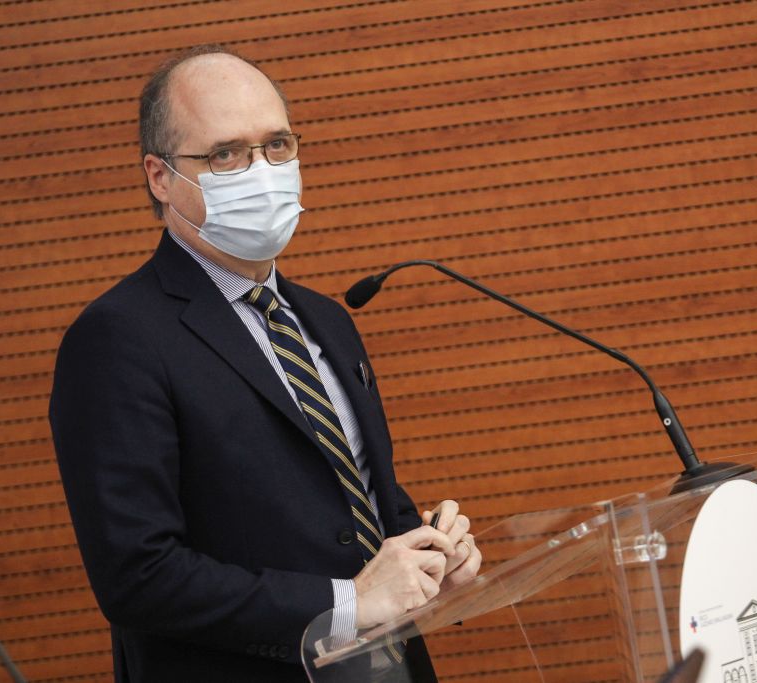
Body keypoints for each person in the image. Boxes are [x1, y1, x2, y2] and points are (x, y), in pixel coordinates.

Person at [49, 44, 481, 683]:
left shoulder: (327, 319)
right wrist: (347, 603)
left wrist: (431, 551)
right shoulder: (117, 339)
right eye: (225, 154)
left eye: (277, 145)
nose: (262, 171)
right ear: (160, 177)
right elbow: (138, 576)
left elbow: (358, 503)